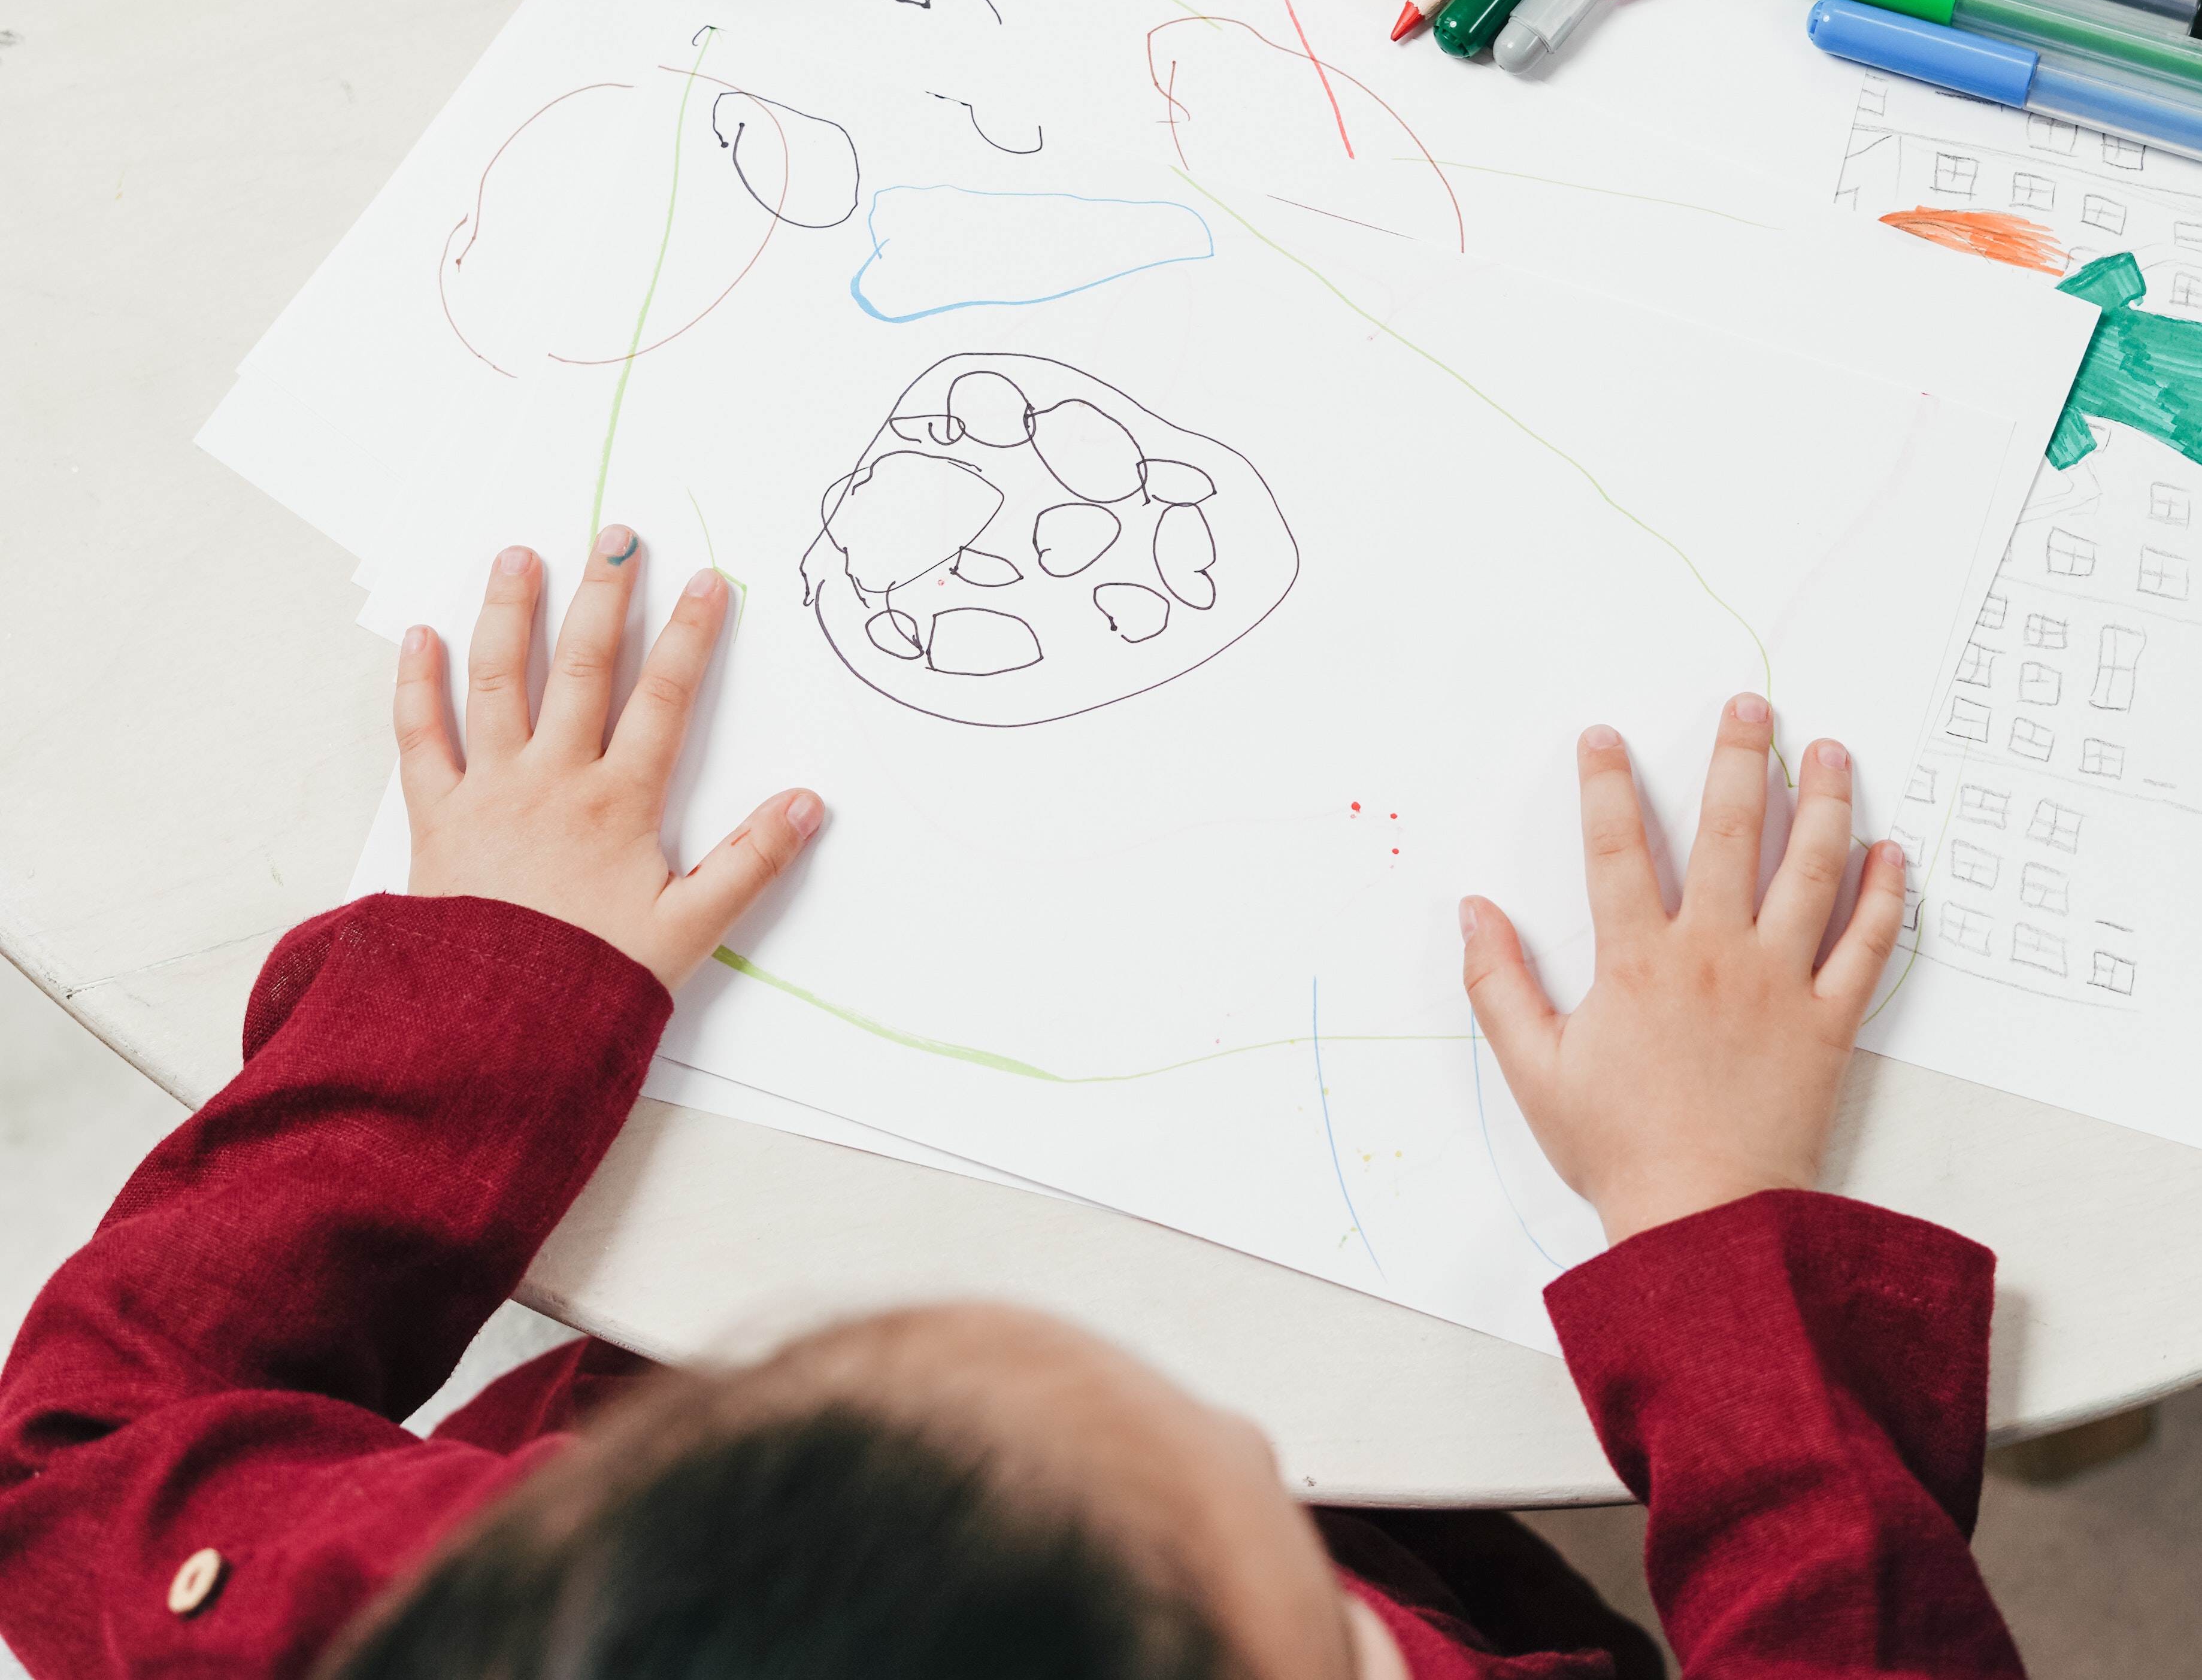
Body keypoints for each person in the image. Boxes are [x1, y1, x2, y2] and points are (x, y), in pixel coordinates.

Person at [0, 529, 2025, 1679]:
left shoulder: (328, 1632)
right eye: (1224, 1490)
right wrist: (1709, 1226)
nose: (1218, 1400)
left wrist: (485, 980)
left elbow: (78, 1458)